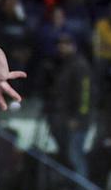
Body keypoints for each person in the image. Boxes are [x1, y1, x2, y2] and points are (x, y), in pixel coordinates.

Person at [41, 34, 92, 177]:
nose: (61, 47)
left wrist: (79, 117)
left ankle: (82, 186)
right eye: (59, 44)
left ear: (73, 46)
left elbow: (85, 95)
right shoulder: (57, 64)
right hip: (59, 118)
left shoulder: (80, 65)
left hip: (75, 121)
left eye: (66, 44)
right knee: (65, 157)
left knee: (75, 155)